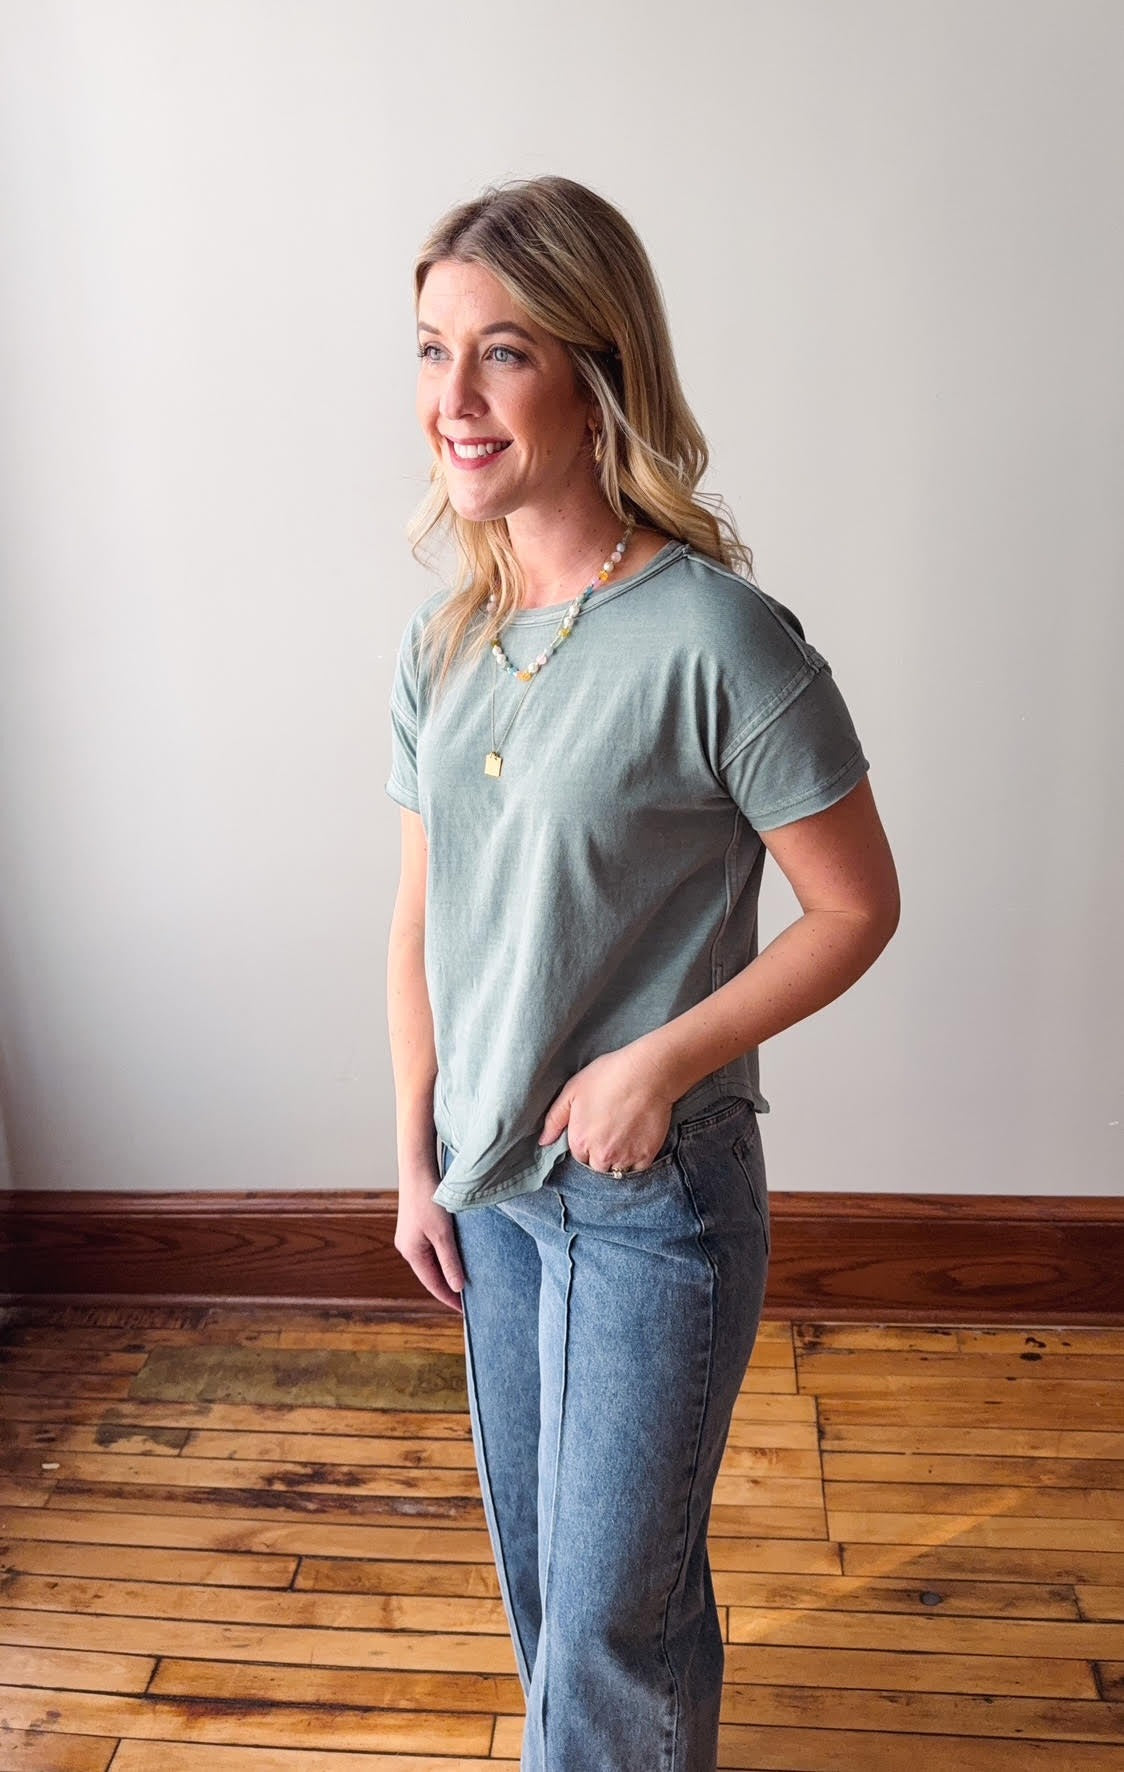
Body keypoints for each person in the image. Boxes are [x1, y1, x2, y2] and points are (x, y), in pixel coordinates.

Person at [385, 174, 899, 1772]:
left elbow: (857, 906)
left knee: (614, 1621)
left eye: (503, 355)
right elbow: (421, 917)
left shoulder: (722, 640)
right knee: (564, 1601)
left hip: (648, 1193)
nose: (453, 402)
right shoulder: (449, 634)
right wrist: (410, 1148)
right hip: (491, 1189)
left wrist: (657, 1065)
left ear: (598, 371)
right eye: (429, 352)